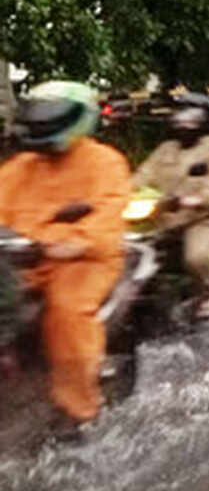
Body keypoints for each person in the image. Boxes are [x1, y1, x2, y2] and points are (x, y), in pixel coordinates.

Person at [0, 81, 130, 426]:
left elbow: (106, 218)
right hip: (18, 261)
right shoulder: (20, 167)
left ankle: (81, 410)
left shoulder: (105, 163)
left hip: (81, 261)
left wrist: (71, 244)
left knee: (67, 313)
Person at [133, 94, 209, 320]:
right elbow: (141, 177)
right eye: (180, 115)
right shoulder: (165, 149)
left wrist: (196, 199)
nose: (184, 122)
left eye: (191, 117)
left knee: (196, 257)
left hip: (207, 215)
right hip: (167, 214)